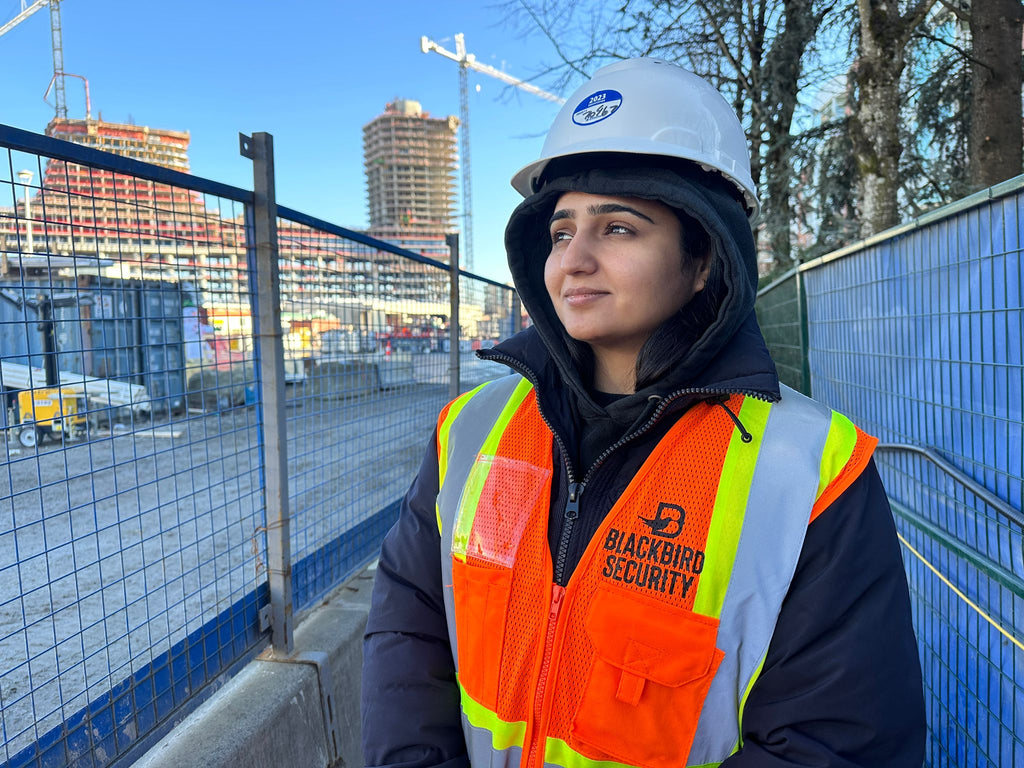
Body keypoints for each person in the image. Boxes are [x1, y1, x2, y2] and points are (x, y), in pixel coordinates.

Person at [362, 58, 925, 768]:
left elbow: (838, 742)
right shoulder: (470, 430)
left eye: (619, 228)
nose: (575, 260)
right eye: (562, 231)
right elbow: (409, 632)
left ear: (703, 260)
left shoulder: (809, 476)